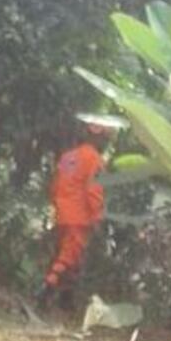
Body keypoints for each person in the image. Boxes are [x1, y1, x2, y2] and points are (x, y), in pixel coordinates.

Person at [38, 119, 111, 306]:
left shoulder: (69, 157)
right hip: (80, 217)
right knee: (67, 257)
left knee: (73, 258)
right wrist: (97, 216)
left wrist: (59, 206)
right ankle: (45, 290)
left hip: (62, 213)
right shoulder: (94, 160)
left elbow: (56, 185)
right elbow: (93, 190)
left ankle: (66, 300)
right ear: (101, 138)